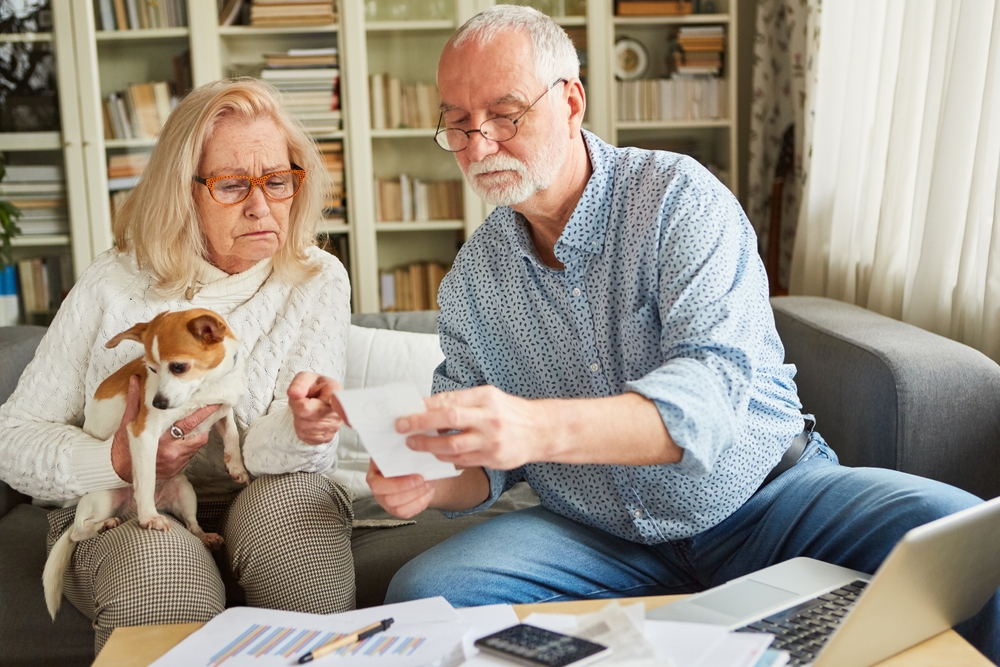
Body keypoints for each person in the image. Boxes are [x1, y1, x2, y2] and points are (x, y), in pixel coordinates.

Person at [361, 5, 997, 660]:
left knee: (968, 538)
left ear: (571, 101)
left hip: (767, 500)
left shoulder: (678, 200)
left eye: (505, 114)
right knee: (425, 592)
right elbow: (482, 465)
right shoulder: (473, 279)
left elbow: (706, 404)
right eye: (458, 125)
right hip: (598, 537)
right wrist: (427, 480)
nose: (480, 145)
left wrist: (533, 425)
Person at [0, 78, 354, 654]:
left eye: (279, 181)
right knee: (165, 583)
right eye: (234, 184)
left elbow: (280, 456)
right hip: (127, 498)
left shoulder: (316, 278)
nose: (262, 205)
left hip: (265, 490)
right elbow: (11, 439)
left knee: (298, 542)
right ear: (183, 191)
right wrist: (115, 460)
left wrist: (305, 427)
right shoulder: (116, 281)